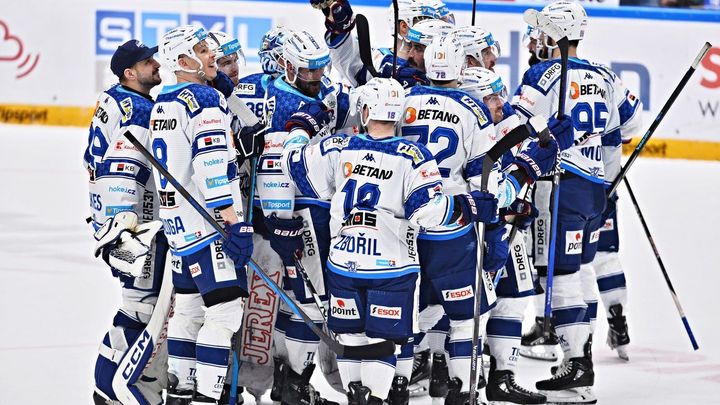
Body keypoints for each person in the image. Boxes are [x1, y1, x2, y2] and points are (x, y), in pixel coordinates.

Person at [280, 76, 499, 405]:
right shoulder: (414, 155)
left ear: (365, 110)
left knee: (351, 335)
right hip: (393, 266)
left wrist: (300, 127)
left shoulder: (339, 147)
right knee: (386, 340)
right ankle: (378, 398)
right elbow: (425, 212)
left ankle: (357, 395)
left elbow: (293, 166)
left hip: (344, 263)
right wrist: (466, 205)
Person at [511, 1, 625, 402]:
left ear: (552, 35)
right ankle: (578, 361)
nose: (535, 38)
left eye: (540, 31)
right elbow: (626, 127)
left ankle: (577, 366)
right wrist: (607, 181)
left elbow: (514, 123)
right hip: (594, 188)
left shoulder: (543, 73)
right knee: (578, 272)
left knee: (558, 277)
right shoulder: (606, 76)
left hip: (558, 186)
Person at [151, 25, 255, 404]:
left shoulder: (165, 100)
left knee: (190, 310)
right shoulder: (202, 100)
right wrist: (233, 222)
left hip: (179, 228)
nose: (212, 55)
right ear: (182, 61)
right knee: (225, 314)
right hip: (211, 227)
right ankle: (209, 398)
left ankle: (179, 392)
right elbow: (211, 170)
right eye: (202, 49)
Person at [256, 29, 355, 405]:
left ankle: (289, 380)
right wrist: (280, 220)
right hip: (299, 212)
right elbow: (273, 170)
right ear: (285, 65)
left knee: (305, 300)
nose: (315, 76)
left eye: (319, 68)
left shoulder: (324, 91)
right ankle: (295, 383)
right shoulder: (281, 102)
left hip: (326, 209)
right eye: (306, 70)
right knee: (312, 302)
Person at [84, 39, 168, 405]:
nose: (155, 64)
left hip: (136, 219)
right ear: (130, 73)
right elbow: (106, 165)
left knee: (142, 305)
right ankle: (108, 389)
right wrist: (121, 226)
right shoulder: (125, 104)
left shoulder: (136, 101)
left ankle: (110, 389)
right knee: (139, 307)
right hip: (132, 225)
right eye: (147, 62)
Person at [312, 0, 453, 88]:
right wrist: (339, 26)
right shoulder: (378, 61)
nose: (442, 29)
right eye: (433, 22)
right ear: (404, 27)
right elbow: (347, 59)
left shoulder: (453, 61)